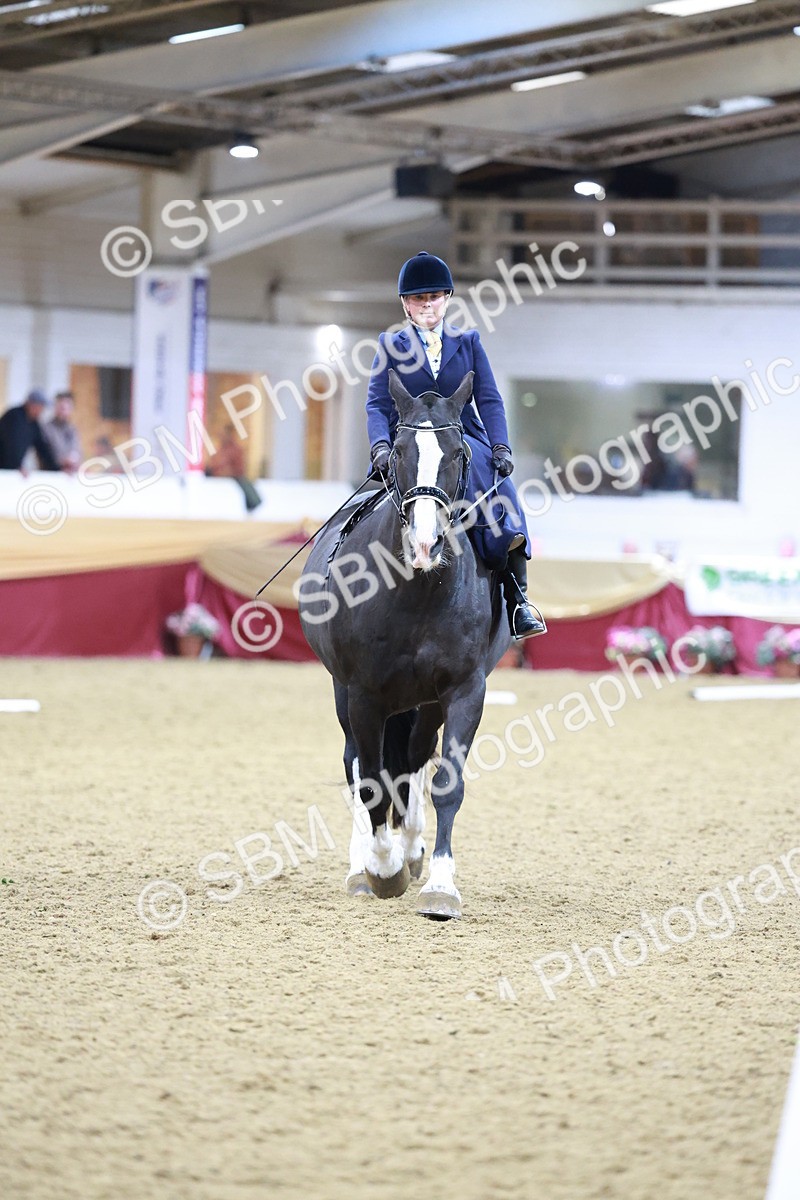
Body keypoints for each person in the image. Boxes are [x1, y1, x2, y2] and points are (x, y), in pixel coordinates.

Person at [366, 250, 546, 639]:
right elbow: (378, 404)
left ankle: (518, 600)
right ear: (405, 304)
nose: (426, 304)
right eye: (418, 298)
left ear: (446, 299)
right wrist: (380, 445)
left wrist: (500, 447)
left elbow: (490, 399)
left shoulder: (468, 342)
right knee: (362, 509)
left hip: (461, 437)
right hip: (408, 440)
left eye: (433, 297)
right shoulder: (389, 344)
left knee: (505, 498)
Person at [0, 388, 59, 472]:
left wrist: (57, 469)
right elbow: (10, 445)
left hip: (11, 470)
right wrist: (17, 466)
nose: (42, 411)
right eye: (41, 407)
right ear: (31, 404)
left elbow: (42, 448)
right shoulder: (14, 416)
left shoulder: (34, 424)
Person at [44, 390, 82, 473]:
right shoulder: (47, 429)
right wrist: (62, 462)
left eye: (67, 408)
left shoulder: (72, 429)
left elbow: (77, 451)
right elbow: (45, 455)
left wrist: (74, 462)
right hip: (51, 474)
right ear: (55, 408)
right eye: (61, 407)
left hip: (70, 475)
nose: (63, 411)